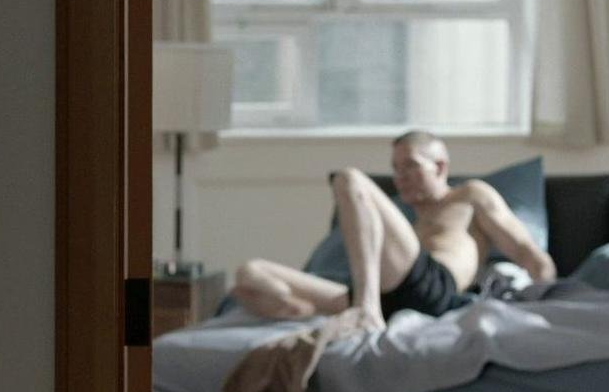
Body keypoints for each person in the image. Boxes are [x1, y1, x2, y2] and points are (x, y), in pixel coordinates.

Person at [232, 130, 556, 334]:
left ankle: (366, 310)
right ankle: (302, 311)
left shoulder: (469, 197)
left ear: (440, 167)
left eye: (411, 166)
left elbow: (529, 254)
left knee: (348, 178)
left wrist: (545, 305)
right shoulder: (409, 222)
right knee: (250, 273)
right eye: (396, 169)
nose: (401, 178)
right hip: (390, 294)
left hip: (431, 288)